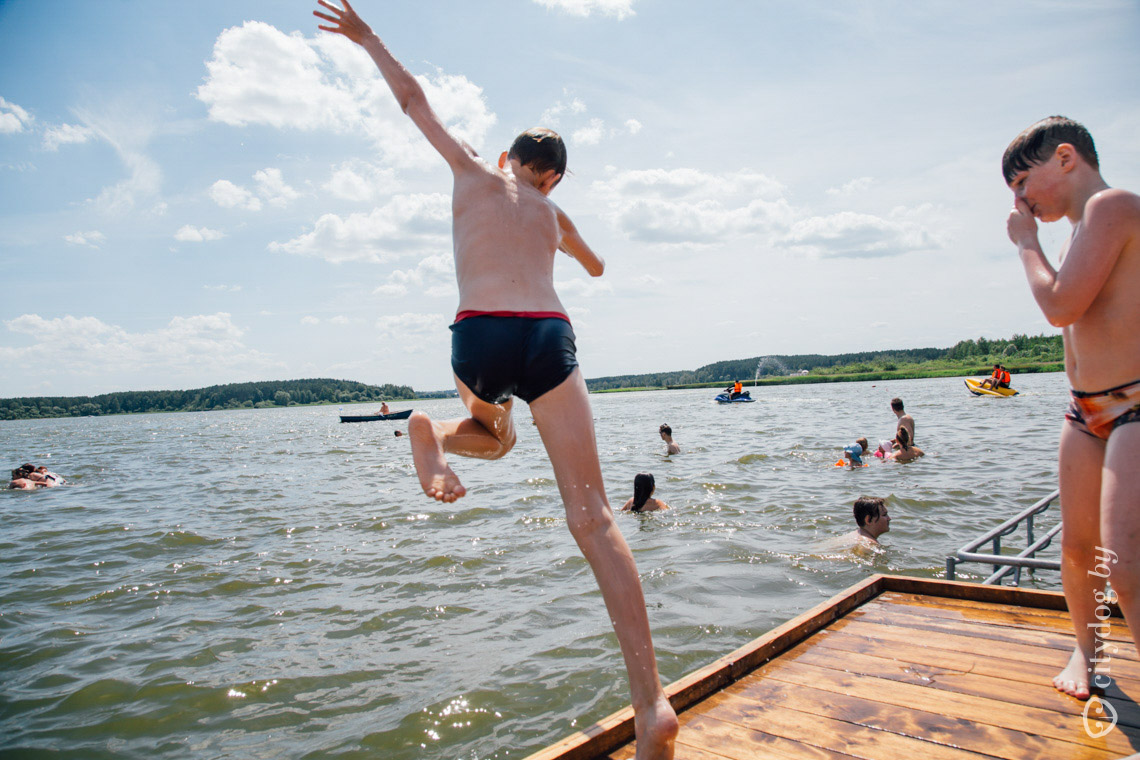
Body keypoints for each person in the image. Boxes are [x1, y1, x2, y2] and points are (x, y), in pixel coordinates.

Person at [313, 2, 678, 753]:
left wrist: (367, 37)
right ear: (556, 176)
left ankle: (431, 430)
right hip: (550, 335)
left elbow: (414, 102)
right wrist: (580, 250)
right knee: (595, 518)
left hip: (479, 332)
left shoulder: (477, 173)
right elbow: (596, 262)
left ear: (511, 160)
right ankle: (651, 706)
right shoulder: (553, 212)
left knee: (494, 438)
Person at [1004, 115, 1140, 700]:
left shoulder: (1113, 207)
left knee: (1125, 559)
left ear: (1064, 158)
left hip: (1135, 401)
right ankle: (1086, 649)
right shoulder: (1076, 230)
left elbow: (1060, 307)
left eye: (1021, 183)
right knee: (1076, 548)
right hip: (1084, 410)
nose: (1021, 200)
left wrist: (1026, 245)